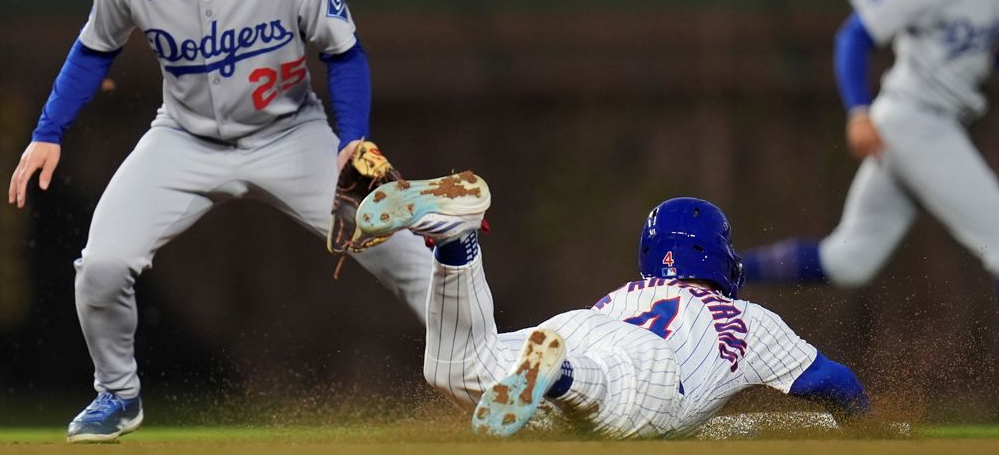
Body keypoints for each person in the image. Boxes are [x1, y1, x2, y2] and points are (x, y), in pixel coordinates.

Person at [7, 0, 434, 443]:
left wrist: (353, 136)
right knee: (101, 266)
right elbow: (93, 49)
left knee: (408, 259)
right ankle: (117, 394)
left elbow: (342, 53)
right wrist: (49, 131)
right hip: (182, 141)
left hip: (292, 136)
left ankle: (490, 368)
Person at [352, 172, 869, 438]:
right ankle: (557, 374)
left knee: (458, 368)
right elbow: (834, 383)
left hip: (578, 327)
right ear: (717, 254)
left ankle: (456, 242)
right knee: (620, 407)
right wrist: (865, 425)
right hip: (647, 369)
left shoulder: (624, 293)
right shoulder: (747, 319)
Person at [739, 0, 999, 296]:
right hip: (916, 121)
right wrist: (858, 111)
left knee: (848, 260)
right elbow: (854, 35)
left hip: (929, 126)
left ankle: (722, 273)